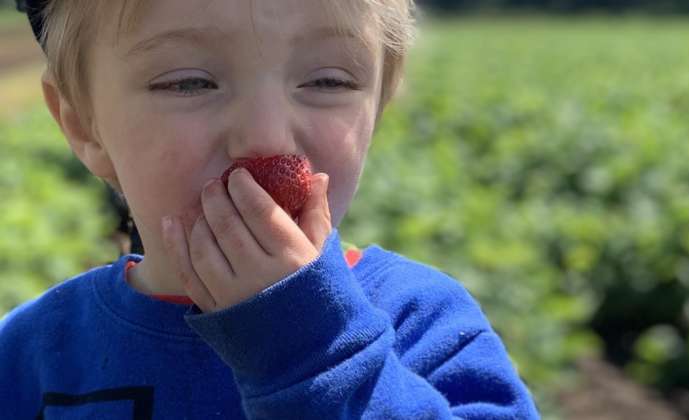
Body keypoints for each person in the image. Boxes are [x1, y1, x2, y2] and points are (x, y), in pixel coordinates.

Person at [0, 0, 541, 418]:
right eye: (189, 82)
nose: (265, 140)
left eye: (328, 81)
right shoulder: (31, 356)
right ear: (82, 125)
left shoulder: (426, 325)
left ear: (378, 106)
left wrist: (312, 353)